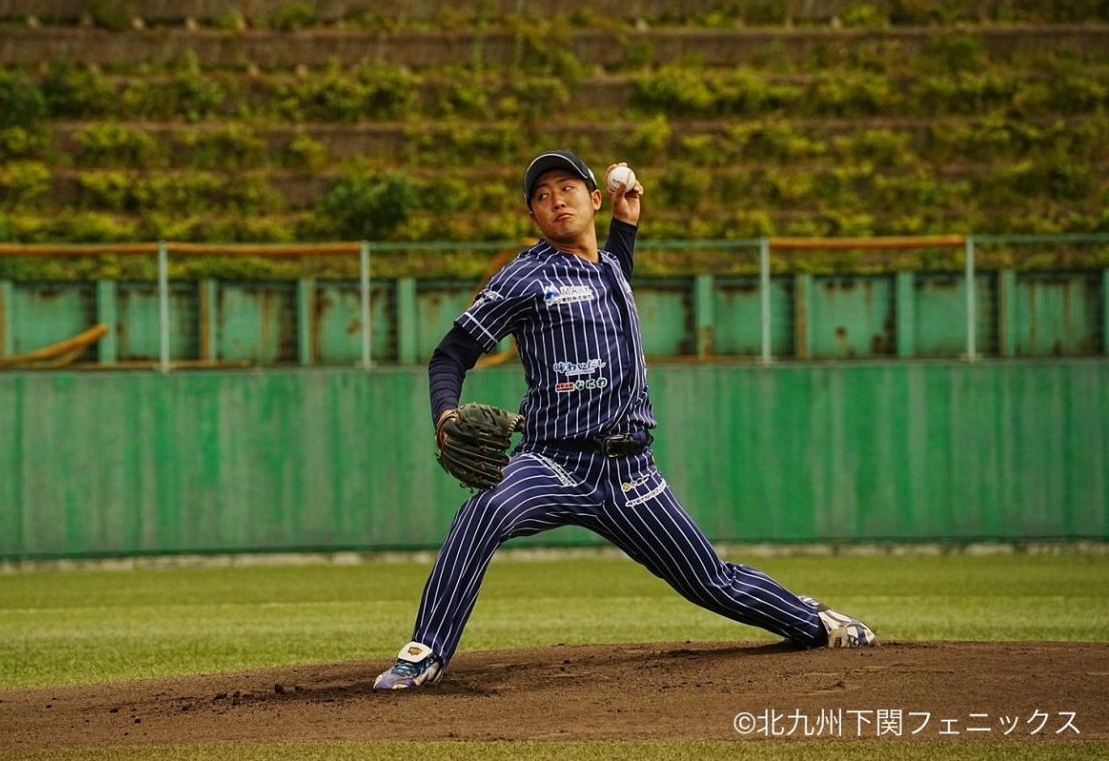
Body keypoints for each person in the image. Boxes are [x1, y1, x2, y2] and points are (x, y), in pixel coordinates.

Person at [374, 150, 878, 691]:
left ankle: (816, 623)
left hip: (631, 473)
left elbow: (614, 265)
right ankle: (424, 652)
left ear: (593, 200)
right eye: (541, 197)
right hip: (554, 462)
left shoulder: (613, 267)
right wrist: (445, 414)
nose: (554, 200)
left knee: (710, 580)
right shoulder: (523, 278)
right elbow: (450, 354)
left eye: (567, 188)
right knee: (485, 510)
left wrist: (628, 218)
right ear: (533, 218)